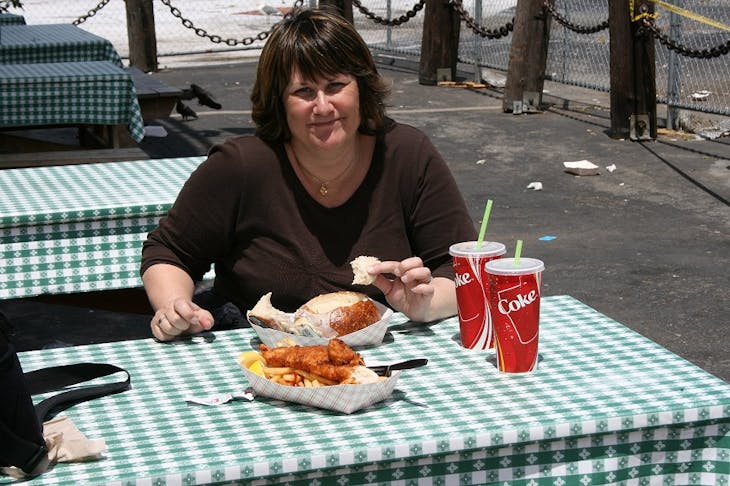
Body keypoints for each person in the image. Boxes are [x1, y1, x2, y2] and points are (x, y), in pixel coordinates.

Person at [140, 7, 477, 342]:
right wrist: (175, 307)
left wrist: (425, 304)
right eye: (303, 92)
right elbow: (170, 252)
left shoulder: (406, 154)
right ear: (279, 102)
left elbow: (459, 270)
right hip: (256, 355)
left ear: (361, 88)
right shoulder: (241, 165)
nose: (323, 106)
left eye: (335, 85)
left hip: (385, 355)